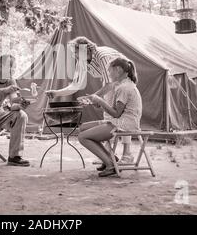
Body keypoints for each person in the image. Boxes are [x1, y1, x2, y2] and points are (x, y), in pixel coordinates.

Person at [45, 36, 134, 165]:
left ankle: (127, 154)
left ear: (85, 50)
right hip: (109, 82)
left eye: (75, 52)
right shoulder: (82, 61)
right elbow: (76, 85)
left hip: (123, 83)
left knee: (122, 116)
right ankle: (108, 155)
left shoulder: (102, 56)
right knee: (108, 115)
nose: (74, 55)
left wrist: (94, 98)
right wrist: (56, 93)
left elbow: (111, 83)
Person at [77, 57, 142, 177]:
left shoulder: (124, 88)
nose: (109, 74)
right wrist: (98, 103)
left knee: (82, 137)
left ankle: (110, 164)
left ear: (117, 70)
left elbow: (116, 113)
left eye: (109, 70)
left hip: (123, 125)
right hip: (118, 122)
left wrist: (99, 100)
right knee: (82, 128)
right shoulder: (122, 85)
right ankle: (109, 157)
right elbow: (114, 110)